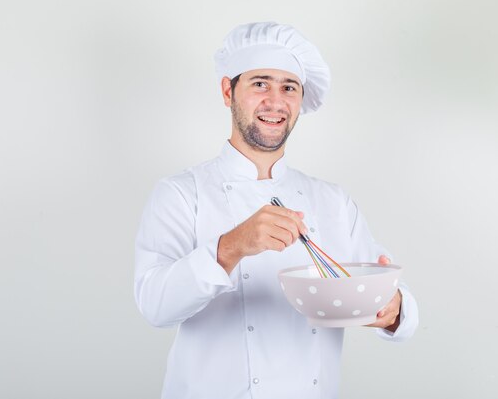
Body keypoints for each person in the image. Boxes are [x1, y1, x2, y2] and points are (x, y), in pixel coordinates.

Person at [134, 21, 419, 399]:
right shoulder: (182, 194)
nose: (275, 101)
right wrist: (230, 247)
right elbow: (155, 307)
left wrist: (393, 309)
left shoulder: (331, 201)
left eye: (289, 87)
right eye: (260, 83)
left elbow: (388, 299)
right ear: (227, 91)